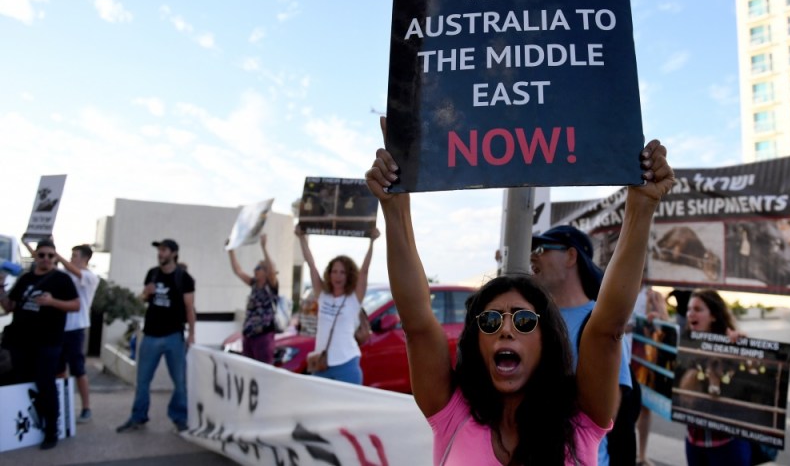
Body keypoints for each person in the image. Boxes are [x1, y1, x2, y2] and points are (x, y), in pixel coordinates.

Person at [365, 118, 674, 465]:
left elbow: (608, 328)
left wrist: (641, 207)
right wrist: (394, 205)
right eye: (491, 321)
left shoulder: (580, 419)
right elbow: (418, 323)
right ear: (476, 342)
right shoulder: (451, 413)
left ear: (547, 339)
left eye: (525, 320)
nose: (506, 329)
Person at [529, 223, 635, 466]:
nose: (533, 255)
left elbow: (607, 413)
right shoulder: (529, 320)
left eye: (543, 248)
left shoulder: (599, 326)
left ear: (571, 256)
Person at [1, 238, 79, 449]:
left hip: (47, 342)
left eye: (50, 256)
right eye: (42, 255)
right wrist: (0, 287)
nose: (45, 259)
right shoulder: (26, 278)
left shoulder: (61, 279)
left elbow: (76, 305)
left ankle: (51, 430)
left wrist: (52, 302)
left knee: (45, 385)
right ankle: (21, 429)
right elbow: (9, 306)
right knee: (19, 381)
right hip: (19, 342)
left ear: (55, 257)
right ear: (35, 256)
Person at [117, 238, 196, 433]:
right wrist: (145, 293)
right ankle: (138, 417)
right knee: (143, 381)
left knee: (180, 381)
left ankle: (179, 418)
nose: (160, 253)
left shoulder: (184, 278)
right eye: (159, 250)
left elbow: (189, 308)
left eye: (164, 250)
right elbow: (144, 299)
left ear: (174, 253)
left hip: (173, 337)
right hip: (150, 335)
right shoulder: (152, 274)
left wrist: (192, 334)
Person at [21, 240, 99, 423]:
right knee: (57, 370)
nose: (71, 259)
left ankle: (86, 407)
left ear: (85, 259)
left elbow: (74, 271)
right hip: (58, 328)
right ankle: (62, 406)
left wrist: (57, 255)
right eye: (70, 255)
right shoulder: (63, 273)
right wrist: (30, 247)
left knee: (78, 369)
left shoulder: (89, 277)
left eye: (75, 256)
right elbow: (44, 262)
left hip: (76, 329)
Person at [296, 224, 378, 384]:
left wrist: (372, 242)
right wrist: (301, 238)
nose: (337, 276)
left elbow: (364, 272)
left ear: (349, 275)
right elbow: (311, 266)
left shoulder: (353, 299)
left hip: (347, 364)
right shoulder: (323, 296)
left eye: (342, 272)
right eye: (334, 271)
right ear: (329, 273)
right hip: (321, 364)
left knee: (348, 409)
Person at [682, 289, 751, 465]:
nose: (691, 314)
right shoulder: (687, 347)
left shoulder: (731, 344)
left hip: (727, 444)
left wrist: (745, 348)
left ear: (713, 316)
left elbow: (750, 380)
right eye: (689, 309)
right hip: (694, 441)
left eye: (698, 309)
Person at [631, 284, 669, 466]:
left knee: (645, 408)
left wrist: (657, 317)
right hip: (623, 355)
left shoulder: (653, 295)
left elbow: (665, 322)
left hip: (643, 357)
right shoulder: (614, 285)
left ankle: (642, 454)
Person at [228, 234, 279, 364]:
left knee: (263, 370)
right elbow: (238, 271)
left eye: (258, 268)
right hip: (249, 334)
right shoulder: (254, 284)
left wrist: (264, 247)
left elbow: (272, 271)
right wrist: (231, 250)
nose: (254, 270)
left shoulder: (271, 286)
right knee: (249, 369)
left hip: (263, 335)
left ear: (265, 271)